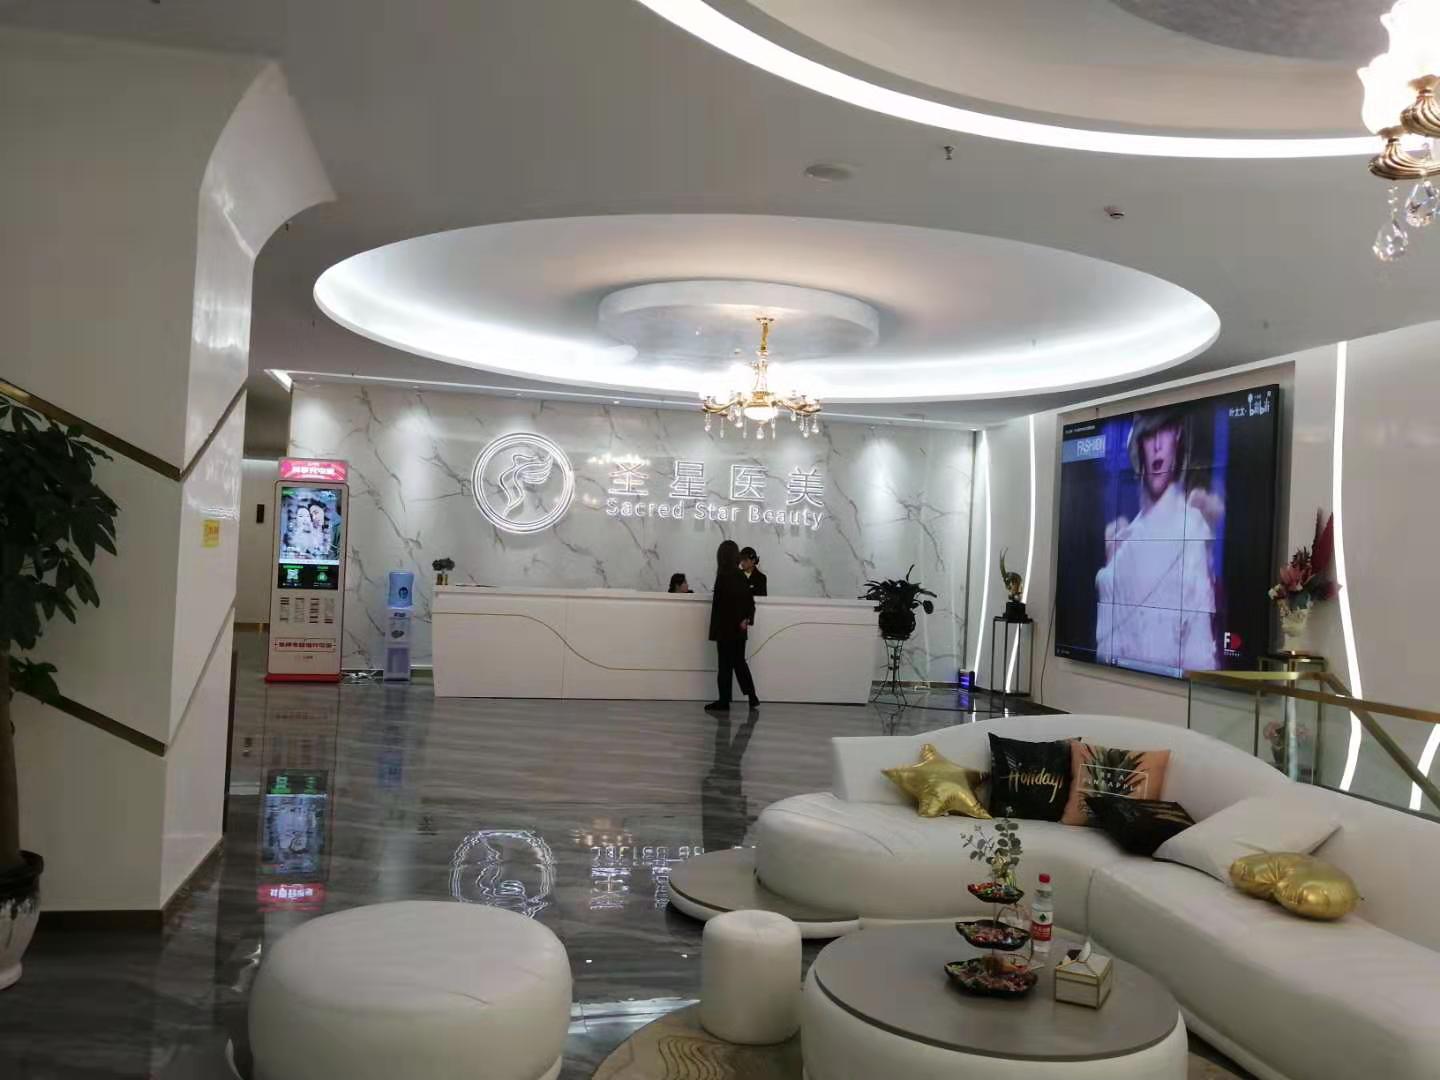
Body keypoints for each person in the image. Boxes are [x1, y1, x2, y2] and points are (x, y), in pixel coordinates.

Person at [1095, 409, 1218, 673]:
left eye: (1165, 431)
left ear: (1178, 436)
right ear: (1139, 444)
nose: (1158, 445)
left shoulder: (1192, 528)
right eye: (1149, 435)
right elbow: (1105, 651)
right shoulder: (1124, 541)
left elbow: (1199, 655)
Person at [707, 539, 759, 712]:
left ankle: (724, 701)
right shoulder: (741, 576)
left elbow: (721, 607)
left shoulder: (722, 576)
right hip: (739, 629)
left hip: (725, 630)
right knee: (739, 663)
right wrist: (746, 619)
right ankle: (752, 696)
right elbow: (749, 602)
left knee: (724, 666)